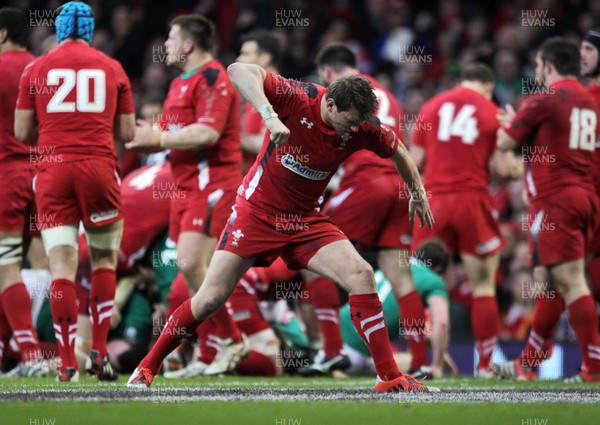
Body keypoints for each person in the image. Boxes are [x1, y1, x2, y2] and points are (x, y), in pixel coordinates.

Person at [128, 60, 435, 393]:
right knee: (209, 299)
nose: (353, 130)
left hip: (305, 220)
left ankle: (389, 377)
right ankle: (146, 367)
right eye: (349, 122)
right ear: (329, 104)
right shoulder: (296, 97)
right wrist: (269, 115)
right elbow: (238, 70)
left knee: (361, 275)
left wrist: (417, 192)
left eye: (359, 123)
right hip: (256, 213)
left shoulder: (362, 127)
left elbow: (399, 151)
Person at [15, 1, 135, 382]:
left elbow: (20, 132)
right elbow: (129, 135)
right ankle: (98, 355)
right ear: (89, 30)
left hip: (53, 172)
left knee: (61, 267)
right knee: (103, 260)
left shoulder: (37, 67)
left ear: (60, 29)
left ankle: (68, 363)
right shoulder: (112, 67)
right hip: (99, 170)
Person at [296, 42, 429, 377]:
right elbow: (400, 145)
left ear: (327, 72)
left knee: (309, 252)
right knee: (402, 279)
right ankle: (423, 361)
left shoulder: (335, 96)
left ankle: (330, 351)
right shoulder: (385, 94)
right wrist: (416, 189)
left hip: (365, 184)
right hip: (398, 187)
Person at [125, 14, 247, 376]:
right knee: (191, 270)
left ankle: (232, 339)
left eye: (171, 37)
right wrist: (148, 131)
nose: (165, 44)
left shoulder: (212, 77)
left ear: (189, 44)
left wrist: (159, 138)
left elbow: (207, 133)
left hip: (211, 184)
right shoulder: (180, 82)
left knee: (195, 265)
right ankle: (209, 352)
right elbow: (169, 129)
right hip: (182, 186)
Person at [492, 37, 600, 382]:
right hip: (585, 198)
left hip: (557, 201)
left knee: (570, 281)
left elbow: (505, 142)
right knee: (552, 281)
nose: (536, 72)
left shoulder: (544, 98)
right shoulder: (589, 99)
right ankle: (531, 360)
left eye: (538, 66)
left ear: (548, 66)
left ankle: (594, 367)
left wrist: (511, 124)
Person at [410, 63, 522, 377]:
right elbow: (505, 169)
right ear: (487, 86)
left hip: (433, 201)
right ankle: (485, 366)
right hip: (472, 200)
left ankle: (421, 360)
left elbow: (414, 161)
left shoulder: (431, 107)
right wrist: (515, 148)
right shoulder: (492, 111)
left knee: (417, 284)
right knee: (483, 285)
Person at [0, 7, 49, 378]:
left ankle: (29, 352)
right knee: (50, 267)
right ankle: (62, 353)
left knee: (7, 265)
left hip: (9, 176)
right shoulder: (45, 67)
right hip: (47, 175)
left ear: (2, 35)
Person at [339, 239, 453, 379]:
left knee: (398, 360)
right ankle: (343, 368)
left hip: (337, 329)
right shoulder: (433, 279)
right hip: (358, 349)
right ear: (439, 269)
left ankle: (337, 365)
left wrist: (435, 345)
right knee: (413, 364)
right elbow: (441, 323)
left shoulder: (396, 266)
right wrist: (437, 365)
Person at [236, 29, 283, 173]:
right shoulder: (253, 92)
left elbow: (270, 143)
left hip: (269, 185)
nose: (238, 59)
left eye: (245, 54)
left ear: (265, 59)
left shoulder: (280, 94)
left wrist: (227, 135)